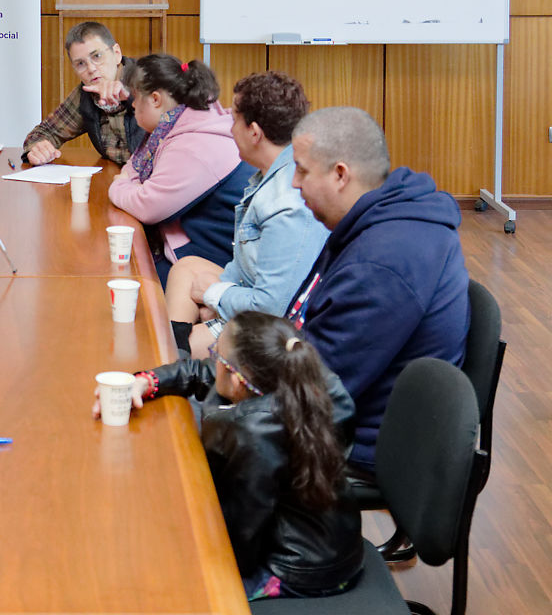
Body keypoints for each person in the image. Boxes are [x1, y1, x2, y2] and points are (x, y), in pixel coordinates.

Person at [95, 312, 363, 601]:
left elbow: (239, 541)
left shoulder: (254, 437)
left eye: (217, 355)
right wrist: (148, 381)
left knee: (166, 586)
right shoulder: (300, 379)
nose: (213, 360)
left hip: (301, 568)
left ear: (237, 380)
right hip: (335, 540)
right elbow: (204, 371)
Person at [286, 106, 468, 473]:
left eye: (302, 170)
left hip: (357, 447)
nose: (293, 182)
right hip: (339, 414)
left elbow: (312, 391)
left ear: (340, 175)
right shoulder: (372, 221)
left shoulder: (382, 262)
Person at [164, 71, 329, 357]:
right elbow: (245, 267)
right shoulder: (273, 172)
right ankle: (179, 350)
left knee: (169, 346)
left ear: (254, 132)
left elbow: (273, 308)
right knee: (186, 268)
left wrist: (215, 296)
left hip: (273, 329)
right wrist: (219, 300)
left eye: (234, 120)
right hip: (250, 292)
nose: (230, 130)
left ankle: (176, 358)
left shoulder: (287, 204)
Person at [107, 54, 254, 286]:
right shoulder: (173, 125)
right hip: (191, 243)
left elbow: (147, 205)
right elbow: (133, 167)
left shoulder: (194, 144)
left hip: (216, 260)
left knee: (124, 276)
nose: (132, 105)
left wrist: (119, 185)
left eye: (135, 98)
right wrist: (128, 182)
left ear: (155, 99)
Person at [22, 21, 146, 166]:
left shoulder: (149, 78)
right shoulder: (86, 95)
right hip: (118, 176)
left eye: (97, 56)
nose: (91, 69)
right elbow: (45, 132)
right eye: (81, 63)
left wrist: (131, 97)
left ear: (117, 54)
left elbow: (168, 124)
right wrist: (38, 149)